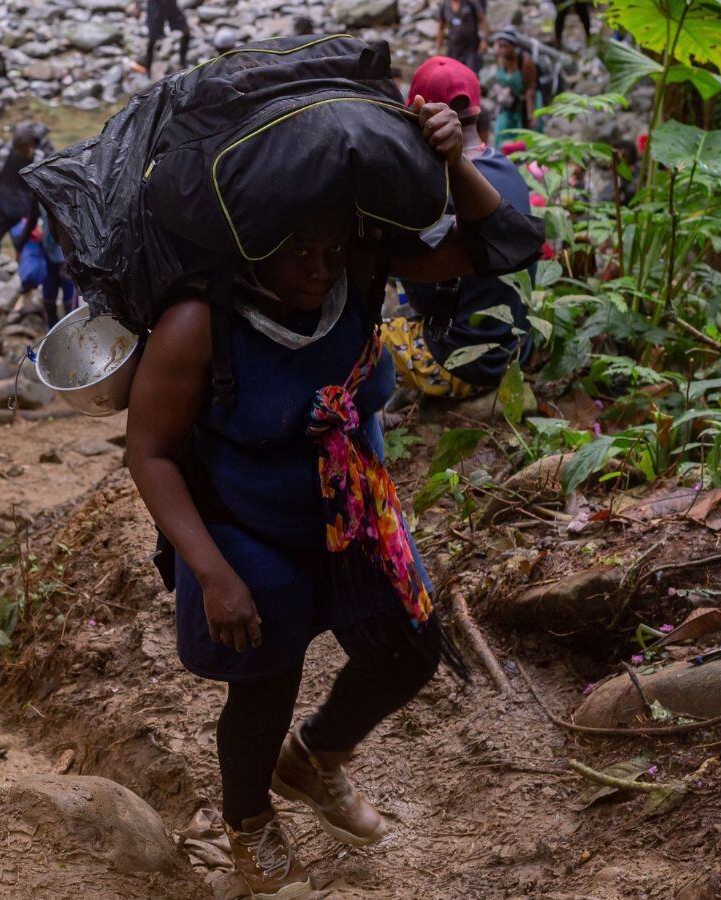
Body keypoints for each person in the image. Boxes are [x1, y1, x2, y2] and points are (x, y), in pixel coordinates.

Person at [125, 102, 540, 898]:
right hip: (244, 519)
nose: (319, 269)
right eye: (299, 255)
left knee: (410, 649)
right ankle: (249, 824)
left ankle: (315, 760)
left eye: (329, 248)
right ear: (250, 252)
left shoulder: (358, 268)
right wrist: (211, 573)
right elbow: (148, 454)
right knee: (267, 664)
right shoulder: (196, 324)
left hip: (350, 504)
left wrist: (455, 163)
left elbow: (506, 244)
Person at [386, 58, 534, 400]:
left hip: (465, 363)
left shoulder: (441, 192)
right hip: (514, 352)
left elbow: (422, 297)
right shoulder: (506, 167)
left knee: (367, 338)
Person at [0, 123, 44, 300]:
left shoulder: (40, 159)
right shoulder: (1, 154)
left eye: (23, 150)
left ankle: (27, 289)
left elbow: (41, 194)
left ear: (32, 145)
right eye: (17, 149)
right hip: (1, 208)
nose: (20, 153)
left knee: (24, 248)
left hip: (26, 214)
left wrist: (39, 223)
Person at [490, 30, 540, 145]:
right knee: (501, 130)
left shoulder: (525, 61)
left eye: (505, 46)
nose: (501, 50)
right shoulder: (498, 57)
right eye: (499, 46)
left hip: (526, 101)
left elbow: (530, 88)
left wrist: (530, 114)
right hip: (509, 102)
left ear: (514, 47)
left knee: (527, 134)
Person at [136, 0, 190, 76]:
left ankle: (183, 61)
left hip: (170, 4)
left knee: (186, 31)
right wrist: (137, 6)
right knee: (152, 38)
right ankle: (148, 69)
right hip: (156, 6)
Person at [434, 0, 487, 74]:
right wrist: (439, 48)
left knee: (472, 73)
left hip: (471, 46)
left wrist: (484, 40)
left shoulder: (470, 3)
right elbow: (441, 28)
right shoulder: (445, 6)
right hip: (454, 48)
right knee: (454, 74)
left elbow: (482, 21)